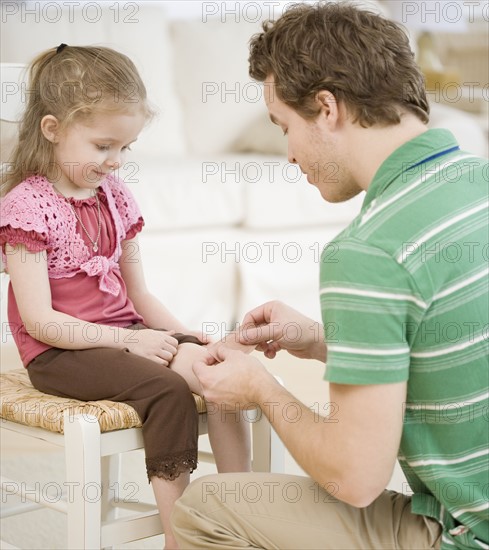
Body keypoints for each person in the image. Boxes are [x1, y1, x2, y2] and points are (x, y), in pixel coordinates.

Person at [171, 2, 489, 549]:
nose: (289, 156)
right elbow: (451, 343)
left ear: (326, 108)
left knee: (204, 507)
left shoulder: (367, 251)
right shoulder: (476, 181)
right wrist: (324, 339)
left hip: (469, 533)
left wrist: (261, 388)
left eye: (284, 127)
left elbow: (356, 476)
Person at [0, 44, 251, 550]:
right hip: (59, 353)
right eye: (101, 147)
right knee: (168, 391)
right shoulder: (26, 208)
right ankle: (181, 537)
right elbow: (41, 321)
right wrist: (131, 342)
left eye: (125, 149)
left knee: (224, 373)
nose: (114, 162)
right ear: (52, 129)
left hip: (125, 335)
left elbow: (139, 295)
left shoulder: (115, 198)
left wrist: (183, 333)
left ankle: (238, 507)